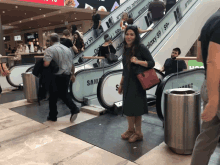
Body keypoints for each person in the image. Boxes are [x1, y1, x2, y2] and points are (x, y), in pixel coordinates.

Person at [190, 8, 220, 165]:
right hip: (217, 90)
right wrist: (214, 101)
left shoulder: (210, 20)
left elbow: (200, 56)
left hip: (208, 84)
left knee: (206, 139)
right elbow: (213, 61)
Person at [118, 26, 155, 143]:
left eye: (132, 34)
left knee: (137, 108)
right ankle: (130, 129)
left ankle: (138, 133)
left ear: (136, 36)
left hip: (138, 83)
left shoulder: (141, 48)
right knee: (128, 107)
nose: (129, 37)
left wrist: (137, 61)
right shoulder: (125, 49)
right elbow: (125, 69)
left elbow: (151, 63)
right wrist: (121, 84)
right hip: (128, 82)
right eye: (127, 34)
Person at [43, 33, 79, 122]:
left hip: (55, 76)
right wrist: (73, 74)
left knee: (54, 96)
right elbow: (72, 64)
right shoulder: (68, 49)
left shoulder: (50, 49)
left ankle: (72, 109)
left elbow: (46, 64)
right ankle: (53, 115)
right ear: (59, 40)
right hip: (66, 75)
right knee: (61, 94)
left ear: (51, 41)